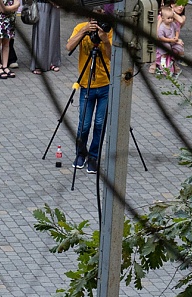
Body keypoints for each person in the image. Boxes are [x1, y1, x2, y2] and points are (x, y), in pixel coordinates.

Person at [66, 10, 112, 174]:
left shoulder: (109, 30)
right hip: (86, 85)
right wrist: (84, 31)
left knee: (100, 124)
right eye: (94, 18)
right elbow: (69, 46)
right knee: (84, 125)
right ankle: (80, 154)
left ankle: (93, 157)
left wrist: (105, 41)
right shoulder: (81, 27)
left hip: (105, 85)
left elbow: (112, 57)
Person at [29, 0, 62, 74]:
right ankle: (38, 64)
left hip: (55, 4)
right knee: (41, 33)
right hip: (42, 3)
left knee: (54, 32)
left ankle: (53, 61)